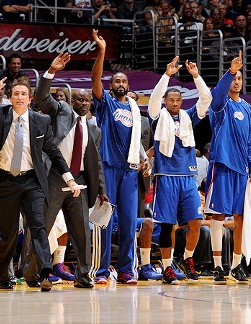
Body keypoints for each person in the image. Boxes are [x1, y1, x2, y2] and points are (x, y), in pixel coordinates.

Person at [0, 77, 81, 291]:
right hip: (4, 181)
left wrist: (69, 178)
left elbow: (53, 152)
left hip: (31, 181)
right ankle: (3, 275)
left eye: (23, 94)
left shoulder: (41, 121)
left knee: (38, 226)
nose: (19, 97)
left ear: (30, 98)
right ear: (10, 97)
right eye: (15, 93)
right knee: (7, 234)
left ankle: (45, 272)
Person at [29, 52, 109, 289]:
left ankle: (83, 276)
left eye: (87, 101)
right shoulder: (61, 111)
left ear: (90, 104)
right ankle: (34, 273)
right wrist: (51, 72)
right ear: (73, 101)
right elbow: (42, 97)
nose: (83, 104)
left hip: (81, 181)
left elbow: (97, 162)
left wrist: (102, 189)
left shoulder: (94, 129)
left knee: (82, 232)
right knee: (43, 225)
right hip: (55, 176)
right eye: (80, 100)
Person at [89, 30, 149, 285]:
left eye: (123, 81)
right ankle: (101, 271)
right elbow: (95, 80)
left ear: (129, 85)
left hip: (129, 171)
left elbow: (140, 144)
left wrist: (144, 161)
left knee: (127, 221)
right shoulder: (107, 105)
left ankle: (126, 270)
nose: (120, 83)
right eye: (116, 81)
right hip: (108, 168)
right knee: (104, 220)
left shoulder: (135, 110)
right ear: (112, 86)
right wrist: (102, 51)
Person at [148, 56, 211, 284]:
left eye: (178, 99)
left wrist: (196, 76)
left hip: (187, 176)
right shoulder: (157, 117)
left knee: (195, 221)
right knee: (168, 225)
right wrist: (166, 75)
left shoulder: (188, 117)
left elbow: (206, 99)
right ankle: (167, 268)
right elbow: (154, 98)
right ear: (165, 101)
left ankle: (188, 259)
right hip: (165, 175)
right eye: (171, 99)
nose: (174, 102)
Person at [205, 51, 251, 284]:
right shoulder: (220, 103)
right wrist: (230, 71)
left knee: (240, 218)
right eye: (233, 78)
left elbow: (248, 141)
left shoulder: (247, 108)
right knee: (218, 215)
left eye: (239, 78)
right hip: (221, 165)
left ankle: (236, 266)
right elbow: (217, 95)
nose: (236, 82)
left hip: (241, 170)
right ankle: (218, 267)